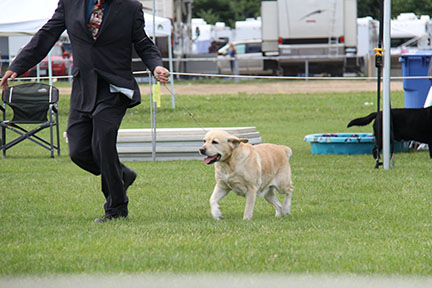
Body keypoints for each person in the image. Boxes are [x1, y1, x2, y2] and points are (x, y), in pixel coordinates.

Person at [0, 0, 170, 223]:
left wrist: (156, 65)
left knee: (103, 142)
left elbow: (143, 42)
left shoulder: (130, 7)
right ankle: (122, 175)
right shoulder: (70, 3)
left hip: (114, 88)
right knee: (78, 152)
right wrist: (17, 66)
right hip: (83, 88)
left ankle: (117, 208)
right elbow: (47, 35)